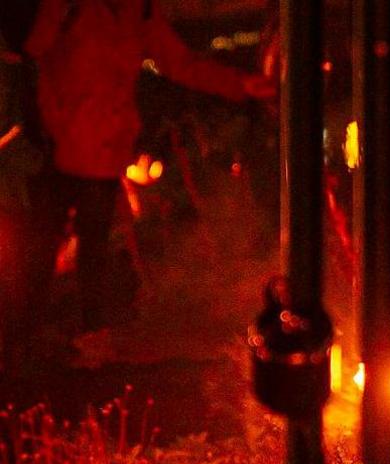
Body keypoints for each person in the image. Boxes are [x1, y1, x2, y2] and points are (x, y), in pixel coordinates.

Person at [3, 0, 274, 371]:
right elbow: (29, 49)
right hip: (58, 147)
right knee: (42, 253)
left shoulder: (138, 11)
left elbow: (180, 64)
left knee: (93, 252)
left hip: (104, 149)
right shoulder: (71, 7)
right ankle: (23, 346)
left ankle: (82, 343)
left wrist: (241, 84)